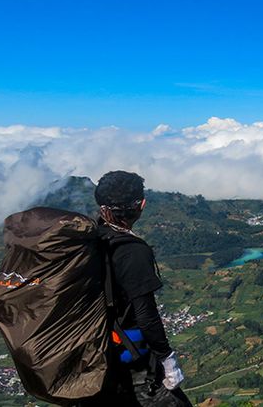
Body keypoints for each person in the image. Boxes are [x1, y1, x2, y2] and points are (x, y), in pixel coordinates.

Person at [81, 170, 192, 406]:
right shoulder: (132, 250)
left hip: (92, 356)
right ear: (141, 205)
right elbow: (146, 314)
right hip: (130, 358)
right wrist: (167, 359)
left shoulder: (90, 240)